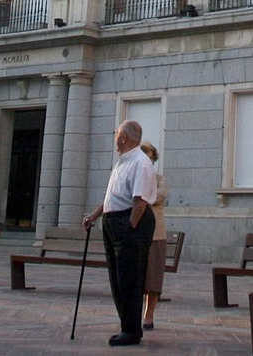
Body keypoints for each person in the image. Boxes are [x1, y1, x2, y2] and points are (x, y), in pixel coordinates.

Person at [83, 120, 158, 347]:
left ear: (124, 137)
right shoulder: (122, 162)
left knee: (130, 277)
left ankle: (132, 331)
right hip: (114, 221)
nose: (115, 137)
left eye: (117, 133)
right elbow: (113, 196)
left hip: (129, 223)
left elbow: (139, 201)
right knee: (117, 278)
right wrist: (95, 215)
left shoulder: (140, 163)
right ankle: (126, 325)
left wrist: (129, 227)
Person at [139, 142, 168, 330]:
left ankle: (149, 315)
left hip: (156, 235)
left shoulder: (159, 179)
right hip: (135, 234)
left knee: (154, 277)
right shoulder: (132, 177)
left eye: (151, 159)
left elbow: (160, 195)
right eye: (145, 158)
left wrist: (141, 197)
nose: (148, 162)